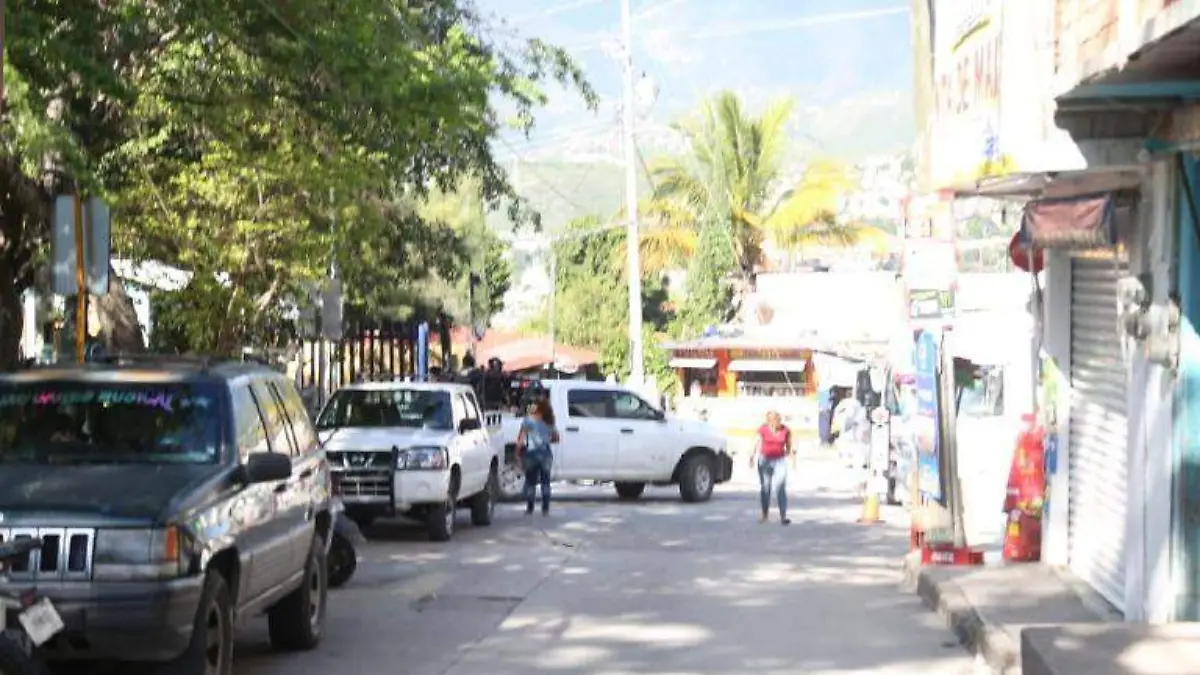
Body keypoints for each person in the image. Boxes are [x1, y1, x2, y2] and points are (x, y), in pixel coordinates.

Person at [516, 398, 559, 516]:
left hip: (531, 454)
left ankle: (530, 507)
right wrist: (546, 440)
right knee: (546, 481)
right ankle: (545, 508)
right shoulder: (549, 421)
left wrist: (517, 453)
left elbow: (521, 440)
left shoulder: (528, 420)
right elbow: (556, 438)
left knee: (530, 482)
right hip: (545, 453)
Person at [750, 410, 792, 525]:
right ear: (768, 421)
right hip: (765, 460)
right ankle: (765, 515)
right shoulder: (763, 429)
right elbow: (756, 441)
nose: (774, 423)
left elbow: (788, 444)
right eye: (771, 421)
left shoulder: (785, 430)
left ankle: (783, 516)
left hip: (780, 461)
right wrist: (752, 455)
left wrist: (789, 453)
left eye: (776, 420)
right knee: (765, 488)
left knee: (780, 487)